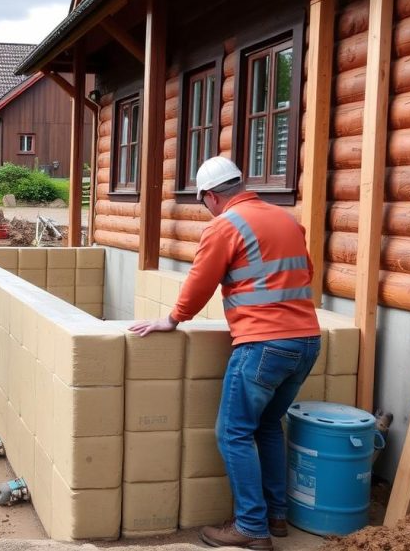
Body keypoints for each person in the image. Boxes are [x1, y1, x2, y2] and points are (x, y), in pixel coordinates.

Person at [128, 156, 320, 551]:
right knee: (267, 425)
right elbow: (307, 274)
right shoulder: (287, 219)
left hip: (263, 344)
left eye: (203, 202)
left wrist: (173, 319)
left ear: (211, 196)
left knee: (232, 432)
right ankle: (276, 515)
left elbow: (201, 281)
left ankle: (251, 526)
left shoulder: (226, 225)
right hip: (306, 341)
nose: (206, 209)